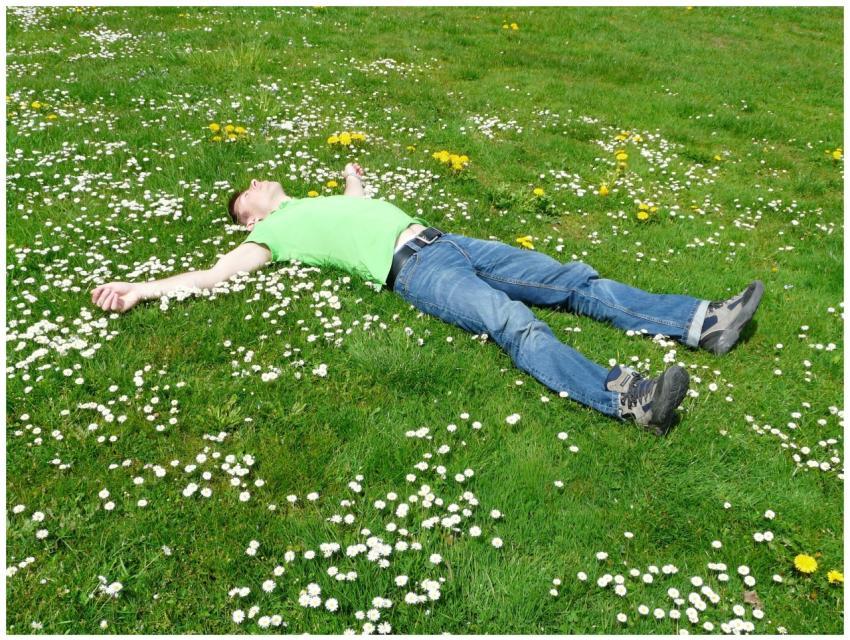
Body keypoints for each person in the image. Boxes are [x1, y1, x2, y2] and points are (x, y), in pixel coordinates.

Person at [90, 162, 764, 435]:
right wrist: (141, 287)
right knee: (513, 323)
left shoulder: (315, 202)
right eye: (251, 195)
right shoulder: (273, 236)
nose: (261, 183)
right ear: (252, 220)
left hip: (449, 240)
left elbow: (356, 205)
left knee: (571, 278)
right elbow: (212, 276)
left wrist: (354, 178)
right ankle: (629, 397)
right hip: (413, 270)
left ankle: (701, 321)